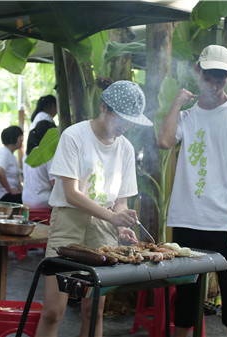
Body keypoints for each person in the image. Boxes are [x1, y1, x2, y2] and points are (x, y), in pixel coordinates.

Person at [157, 45, 227, 337]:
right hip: (187, 218)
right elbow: (164, 141)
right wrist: (177, 103)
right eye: (209, 76)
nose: (214, 83)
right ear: (197, 71)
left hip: (223, 222)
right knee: (187, 291)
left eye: (221, 77)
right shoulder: (187, 117)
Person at [36, 78, 152, 336]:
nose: (126, 125)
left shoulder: (126, 148)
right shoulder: (74, 135)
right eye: (121, 118)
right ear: (104, 108)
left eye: (131, 120)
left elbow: (121, 200)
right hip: (69, 221)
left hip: (104, 227)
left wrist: (121, 226)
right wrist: (113, 217)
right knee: (54, 310)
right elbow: (71, 194)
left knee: (94, 310)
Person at [22, 120, 57, 209]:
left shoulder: (27, 154)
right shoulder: (48, 154)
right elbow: (54, 184)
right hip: (43, 201)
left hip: (26, 200)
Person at [0, 125, 24, 203]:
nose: (22, 140)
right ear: (13, 138)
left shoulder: (11, 155)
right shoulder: (3, 153)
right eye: (20, 137)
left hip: (6, 193)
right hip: (0, 195)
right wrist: (10, 190)